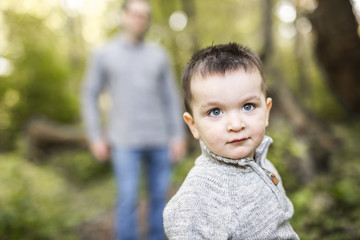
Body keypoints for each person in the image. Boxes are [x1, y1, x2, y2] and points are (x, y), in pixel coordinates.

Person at [163, 43, 299, 239]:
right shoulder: (198, 198)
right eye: (215, 112)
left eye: (248, 106)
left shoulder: (261, 163)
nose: (236, 124)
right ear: (193, 125)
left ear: (266, 112)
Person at [81, 0, 186, 239]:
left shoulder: (159, 55)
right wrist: (95, 136)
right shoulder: (103, 54)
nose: (140, 19)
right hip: (124, 141)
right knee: (127, 200)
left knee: (160, 199)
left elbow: (171, 99)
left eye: (144, 16)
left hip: (160, 140)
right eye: (135, 14)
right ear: (123, 17)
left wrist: (177, 136)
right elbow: (89, 94)